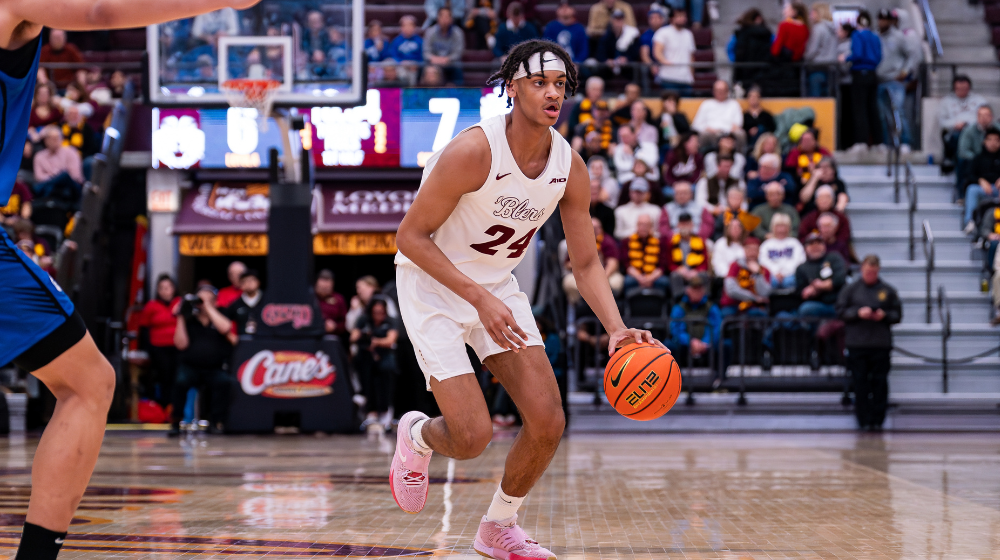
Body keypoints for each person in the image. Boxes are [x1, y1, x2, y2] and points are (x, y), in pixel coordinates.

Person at [390, 40, 663, 559]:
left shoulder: (570, 167)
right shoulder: (474, 151)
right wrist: (478, 299)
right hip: (434, 285)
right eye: (540, 83)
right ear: (511, 89)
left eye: (560, 84)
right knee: (471, 437)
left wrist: (616, 329)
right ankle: (418, 435)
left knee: (548, 419)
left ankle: (498, 527)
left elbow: (584, 264)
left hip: (496, 286)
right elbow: (410, 238)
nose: (552, 93)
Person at [836, 255, 901, 431]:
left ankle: (878, 420)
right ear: (861, 270)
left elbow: (897, 315)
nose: (870, 275)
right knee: (860, 382)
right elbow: (840, 312)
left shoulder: (888, 290)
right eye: (867, 272)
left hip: (880, 343)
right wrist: (858, 313)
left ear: (878, 270)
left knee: (880, 382)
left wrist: (884, 316)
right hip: (857, 343)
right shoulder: (850, 290)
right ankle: (863, 420)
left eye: (873, 272)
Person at [171, 284, 234, 437]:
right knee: (180, 381)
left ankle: (215, 422)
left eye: (209, 299)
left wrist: (209, 308)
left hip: (214, 368)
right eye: (201, 299)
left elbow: (226, 328)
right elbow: (180, 344)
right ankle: (176, 421)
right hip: (190, 367)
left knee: (224, 382)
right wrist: (181, 315)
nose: (204, 302)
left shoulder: (221, 315)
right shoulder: (189, 319)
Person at [351, 298, 401, 433]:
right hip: (366, 358)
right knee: (367, 383)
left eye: (381, 312)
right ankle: (370, 414)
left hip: (385, 357)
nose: (378, 315)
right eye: (375, 312)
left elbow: (391, 340)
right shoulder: (363, 320)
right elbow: (353, 337)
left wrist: (376, 341)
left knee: (386, 380)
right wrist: (364, 337)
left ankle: (386, 415)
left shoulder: (390, 321)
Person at [876, 9, 920, 153]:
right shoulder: (876, 37)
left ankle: (906, 142)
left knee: (898, 112)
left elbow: (912, 55)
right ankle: (887, 143)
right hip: (879, 80)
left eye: (885, 19)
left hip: (895, 80)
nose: (882, 22)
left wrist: (905, 71)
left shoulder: (900, 37)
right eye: (880, 19)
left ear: (891, 21)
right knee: (883, 115)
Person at [137, 274, 180, 410]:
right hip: (158, 347)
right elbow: (143, 328)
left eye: (168, 287)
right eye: (161, 288)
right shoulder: (151, 305)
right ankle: (164, 407)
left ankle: (177, 407)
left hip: (178, 346)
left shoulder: (180, 303)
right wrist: (148, 348)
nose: (165, 291)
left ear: (173, 288)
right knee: (164, 377)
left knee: (178, 377)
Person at [841, 10, 882, 152]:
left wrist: (846, 58)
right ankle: (878, 142)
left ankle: (861, 141)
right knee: (873, 108)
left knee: (860, 109)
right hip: (872, 74)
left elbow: (857, 54)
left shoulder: (857, 35)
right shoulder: (874, 36)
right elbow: (878, 56)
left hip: (860, 74)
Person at [564, 217, 624, 303]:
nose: (594, 230)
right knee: (568, 282)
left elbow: (613, 263)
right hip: (581, 275)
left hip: (606, 274)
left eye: (596, 228)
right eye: (591, 227)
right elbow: (568, 264)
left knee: (616, 282)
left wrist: (603, 277)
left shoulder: (608, 241)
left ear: (601, 228)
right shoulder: (577, 241)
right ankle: (578, 309)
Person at [669, 275, 720, 366]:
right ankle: (676, 376)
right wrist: (691, 342)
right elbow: (676, 329)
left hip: (706, 345)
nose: (697, 292)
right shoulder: (679, 307)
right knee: (670, 345)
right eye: (694, 289)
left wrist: (705, 342)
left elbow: (716, 327)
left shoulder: (711, 307)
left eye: (699, 289)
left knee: (725, 345)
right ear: (687, 290)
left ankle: (719, 378)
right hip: (686, 346)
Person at [939, 76, 986, 172]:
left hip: (975, 131)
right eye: (959, 89)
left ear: (969, 88)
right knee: (958, 139)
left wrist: (969, 125)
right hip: (955, 132)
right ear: (954, 88)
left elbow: (985, 116)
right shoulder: (946, 102)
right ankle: (956, 164)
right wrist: (954, 124)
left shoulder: (979, 100)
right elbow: (942, 121)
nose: (962, 91)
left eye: (965, 89)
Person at [796, 231, 847, 318]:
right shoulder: (801, 268)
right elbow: (801, 292)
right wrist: (809, 291)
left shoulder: (834, 258)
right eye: (811, 244)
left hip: (838, 303)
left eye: (819, 243)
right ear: (805, 248)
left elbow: (840, 279)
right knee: (806, 309)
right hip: (817, 305)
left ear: (824, 245)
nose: (815, 246)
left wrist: (818, 286)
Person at [32, 125, 84, 204]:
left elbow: (74, 176)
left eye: (57, 137)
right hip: (51, 188)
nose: (55, 140)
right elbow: (39, 177)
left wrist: (55, 176)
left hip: (70, 187)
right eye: (52, 138)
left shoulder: (71, 152)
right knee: (50, 187)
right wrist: (56, 177)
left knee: (64, 175)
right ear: (46, 140)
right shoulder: (39, 156)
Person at [962, 127, 1000, 234]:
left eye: (996, 140)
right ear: (984, 141)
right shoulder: (978, 158)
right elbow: (969, 175)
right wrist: (980, 180)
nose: (993, 143)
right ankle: (970, 222)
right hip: (983, 189)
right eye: (990, 139)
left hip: (998, 189)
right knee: (972, 190)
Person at [720, 237, 771, 317]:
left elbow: (764, 293)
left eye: (755, 250)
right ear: (744, 250)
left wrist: (758, 274)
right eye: (749, 249)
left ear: (759, 252)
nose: (752, 253)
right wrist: (754, 297)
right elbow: (731, 290)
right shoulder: (735, 266)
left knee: (760, 315)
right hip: (733, 305)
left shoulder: (764, 270)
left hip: (754, 307)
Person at [957, 105, 999, 201]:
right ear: (977, 117)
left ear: (991, 117)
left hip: (996, 158)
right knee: (962, 161)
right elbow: (963, 151)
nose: (984, 118)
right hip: (975, 160)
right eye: (981, 115)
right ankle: (961, 195)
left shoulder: (998, 129)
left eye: (987, 115)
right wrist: (979, 158)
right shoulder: (969, 131)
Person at [691, 80, 746, 152]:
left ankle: (740, 157)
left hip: (729, 133)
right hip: (710, 133)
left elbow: (738, 123)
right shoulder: (706, 104)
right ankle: (700, 159)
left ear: (727, 91)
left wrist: (726, 133)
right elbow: (696, 124)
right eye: (718, 90)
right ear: (713, 91)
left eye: (723, 90)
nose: (720, 92)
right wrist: (709, 129)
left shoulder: (734, 104)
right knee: (703, 135)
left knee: (740, 134)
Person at [620, 213, 669, 293]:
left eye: (647, 225)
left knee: (663, 282)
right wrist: (640, 278)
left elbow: (662, 266)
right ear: (637, 225)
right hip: (635, 275)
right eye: (641, 224)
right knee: (627, 281)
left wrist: (650, 278)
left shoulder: (659, 242)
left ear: (651, 227)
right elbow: (626, 264)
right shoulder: (627, 241)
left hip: (654, 275)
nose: (643, 228)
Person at [652, 7, 696, 92]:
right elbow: (657, 52)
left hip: (686, 78)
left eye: (684, 16)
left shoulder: (688, 34)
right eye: (679, 16)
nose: (682, 18)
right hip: (669, 77)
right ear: (671, 18)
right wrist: (666, 62)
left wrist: (691, 75)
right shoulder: (663, 32)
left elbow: (691, 57)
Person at [759, 213, 805, 292]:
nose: (781, 230)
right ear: (773, 227)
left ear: (789, 228)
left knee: (790, 281)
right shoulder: (766, 244)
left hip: (790, 275)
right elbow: (763, 261)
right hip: (772, 276)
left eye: (784, 226)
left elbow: (799, 261)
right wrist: (776, 272)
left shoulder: (795, 243)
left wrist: (784, 273)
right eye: (778, 226)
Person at [665, 212, 708, 296]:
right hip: (680, 272)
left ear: (692, 225)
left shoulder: (700, 241)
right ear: (678, 225)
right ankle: (679, 302)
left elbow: (705, 264)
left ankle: (705, 301)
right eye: (682, 224)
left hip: (695, 271)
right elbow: (669, 264)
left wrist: (696, 271)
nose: (684, 226)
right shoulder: (671, 242)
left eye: (687, 224)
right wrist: (679, 269)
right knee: (674, 276)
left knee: (704, 275)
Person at [731, 8, 772, 88]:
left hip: (744, 71)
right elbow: (773, 50)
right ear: (758, 19)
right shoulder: (767, 34)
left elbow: (731, 49)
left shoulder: (741, 33)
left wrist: (735, 62)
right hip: (764, 72)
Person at [595, 8, 640, 78]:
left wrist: (627, 59)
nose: (618, 22)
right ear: (612, 20)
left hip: (626, 68)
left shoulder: (631, 35)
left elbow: (635, 53)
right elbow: (600, 54)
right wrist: (607, 61)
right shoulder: (606, 37)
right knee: (600, 69)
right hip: (609, 68)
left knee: (634, 69)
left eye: (620, 19)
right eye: (616, 19)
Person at [424, 7, 465, 84]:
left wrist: (447, 59)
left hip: (451, 63)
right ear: (438, 18)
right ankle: (430, 93)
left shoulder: (458, 33)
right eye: (442, 16)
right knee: (429, 71)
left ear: (451, 19)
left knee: (457, 69)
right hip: (434, 62)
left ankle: (458, 91)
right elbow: (426, 52)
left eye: (447, 17)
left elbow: (458, 53)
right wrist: (434, 58)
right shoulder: (430, 32)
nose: (444, 19)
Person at [804, 2, 837, 97]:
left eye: (812, 12)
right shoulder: (833, 29)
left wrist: (804, 57)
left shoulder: (818, 29)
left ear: (818, 13)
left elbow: (812, 50)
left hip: (817, 68)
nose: (810, 16)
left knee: (816, 103)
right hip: (831, 69)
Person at [225, 269, 264, 336]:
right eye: (245, 281)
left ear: (258, 282)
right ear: (240, 284)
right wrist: (230, 336)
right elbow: (223, 320)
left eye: (252, 280)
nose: (249, 283)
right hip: (242, 342)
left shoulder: (267, 301)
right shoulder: (236, 304)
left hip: (265, 341)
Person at [315, 269, 348, 336]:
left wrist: (335, 326)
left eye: (327, 288)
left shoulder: (338, 299)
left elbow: (345, 323)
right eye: (321, 288)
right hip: (312, 336)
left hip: (332, 337)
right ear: (316, 285)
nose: (324, 290)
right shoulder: (310, 298)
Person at [639, 3, 667, 75]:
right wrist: (652, 65)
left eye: (657, 17)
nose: (654, 20)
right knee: (643, 68)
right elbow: (644, 55)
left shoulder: (668, 32)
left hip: (668, 62)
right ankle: (646, 87)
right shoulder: (646, 35)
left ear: (662, 19)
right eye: (652, 18)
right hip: (653, 63)